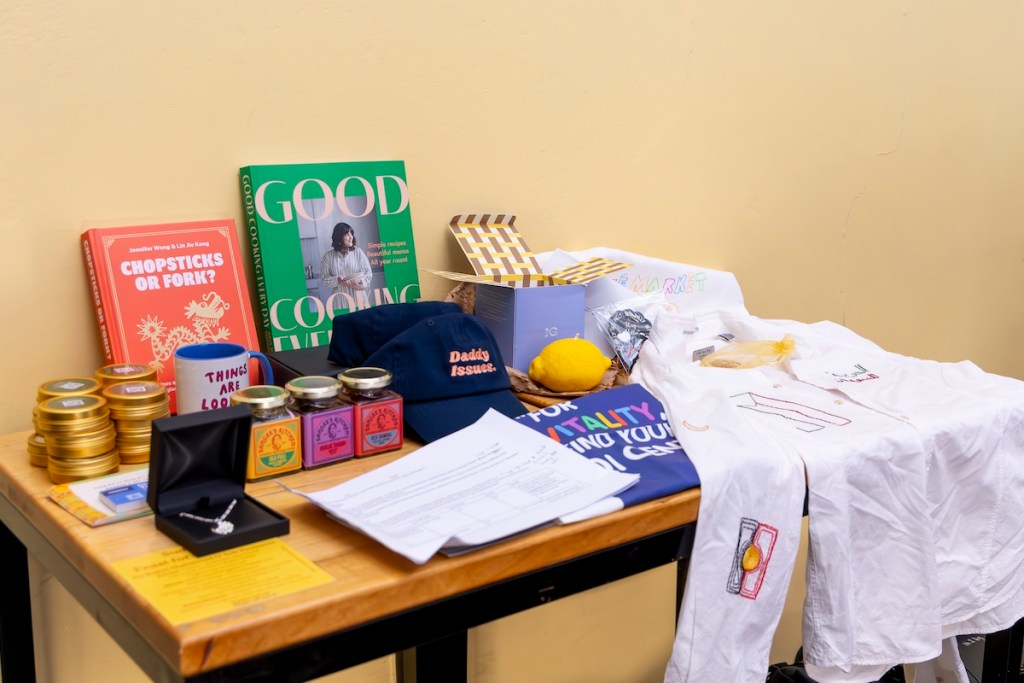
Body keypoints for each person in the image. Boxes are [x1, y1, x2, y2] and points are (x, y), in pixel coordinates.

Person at [319, 222, 373, 298]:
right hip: (340, 299)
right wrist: (337, 280)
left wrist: (362, 283)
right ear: (339, 237)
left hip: (359, 298)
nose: (351, 237)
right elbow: (324, 278)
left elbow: (368, 273)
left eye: (351, 234)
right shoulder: (328, 256)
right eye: (347, 234)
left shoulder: (358, 252)